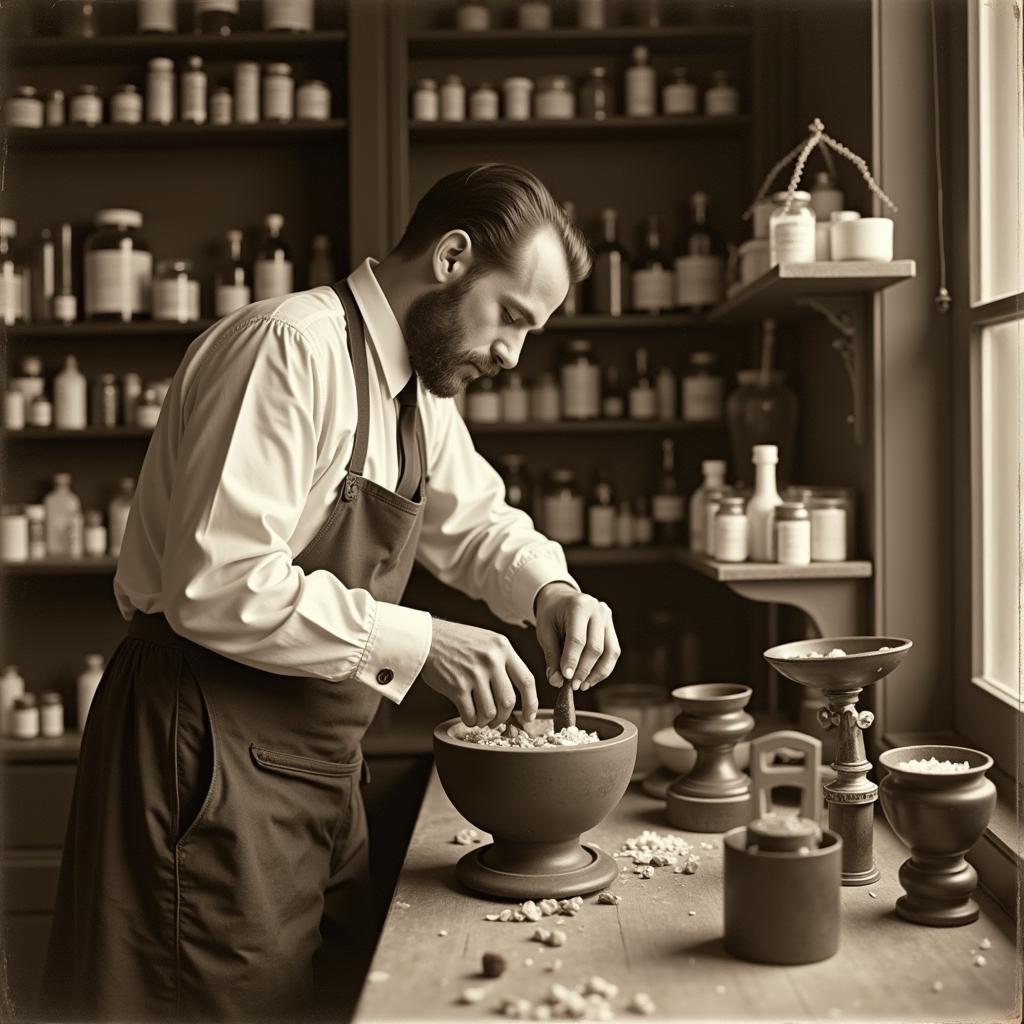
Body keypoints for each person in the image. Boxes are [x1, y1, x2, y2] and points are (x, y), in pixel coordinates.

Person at [41, 164, 622, 1022]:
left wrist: (553, 590)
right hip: (206, 752)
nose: (511, 353)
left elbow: (479, 522)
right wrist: (424, 642)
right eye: (511, 317)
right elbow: (219, 581)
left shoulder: (417, 394)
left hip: (313, 768)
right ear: (454, 256)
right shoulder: (290, 346)